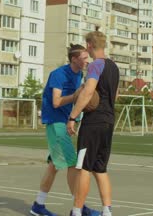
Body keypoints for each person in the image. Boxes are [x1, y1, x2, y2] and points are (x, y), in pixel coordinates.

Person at [30, 44, 96, 216]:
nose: (87, 61)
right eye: (84, 58)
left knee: (54, 166)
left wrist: (77, 114)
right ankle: (79, 207)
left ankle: (38, 205)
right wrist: (75, 96)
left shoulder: (79, 75)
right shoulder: (58, 74)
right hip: (55, 122)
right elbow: (56, 102)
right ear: (74, 59)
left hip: (64, 123)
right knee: (72, 163)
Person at [67, 30, 120, 216]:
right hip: (108, 121)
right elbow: (115, 95)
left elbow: (88, 92)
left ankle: (76, 211)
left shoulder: (95, 65)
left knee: (83, 168)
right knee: (100, 169)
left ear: (89, 45)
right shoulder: (114, 67)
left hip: (93, 123)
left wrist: (72, 116)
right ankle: (107, 211)